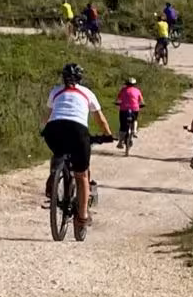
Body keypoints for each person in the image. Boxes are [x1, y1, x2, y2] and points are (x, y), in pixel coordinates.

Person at [43, 63, 115, 229]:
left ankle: (54, 174)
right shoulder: (87, 93)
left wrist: (44, 130)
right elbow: (100, 119)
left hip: (53, 129)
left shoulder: (55, 91)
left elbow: (47, 116)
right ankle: (82, 216)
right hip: (77, 130)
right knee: (81, 175)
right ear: (80, 78)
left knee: (58, 151)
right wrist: (108, 135)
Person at [115, 77, 145, 141]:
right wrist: (142, 105)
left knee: (122, 124)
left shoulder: (123, 90)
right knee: (135, 119)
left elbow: (118, 99)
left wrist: (117, 103)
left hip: (124, 109)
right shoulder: (137, 90)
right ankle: (134, 131)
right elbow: (141, 101)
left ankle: (120, 142)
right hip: (135, 108)